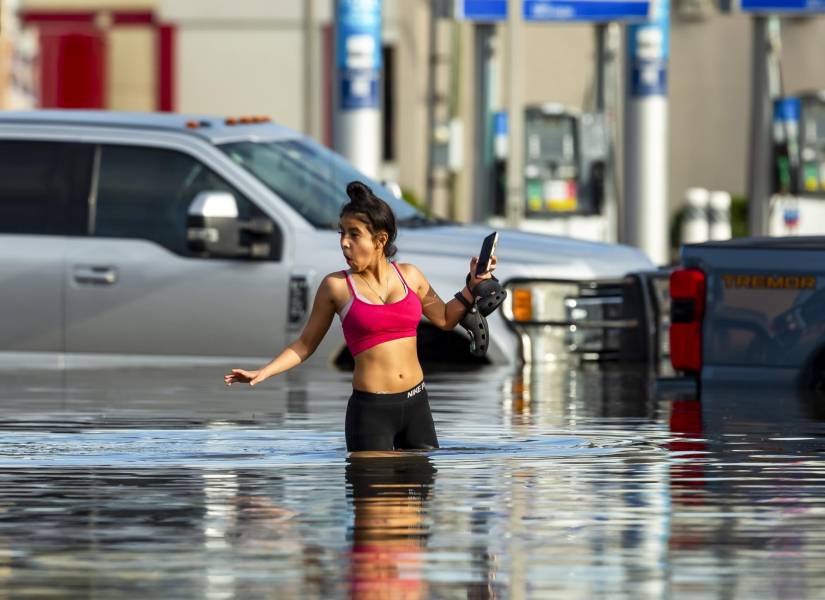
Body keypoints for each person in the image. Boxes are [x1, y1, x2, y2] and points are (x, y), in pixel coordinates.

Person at [223, 181, 497, 452]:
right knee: (373, 493)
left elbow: (446, 318)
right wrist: (264, 372)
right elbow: (305, 345)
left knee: (419, 494)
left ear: (380, 240)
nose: (344, 243)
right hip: (371, 413)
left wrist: (472, 285)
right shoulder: (336, 287)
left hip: (417, 405)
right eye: (342, 233)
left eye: (354, 234)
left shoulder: (411, 276)